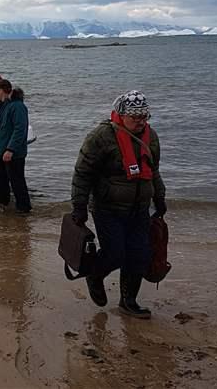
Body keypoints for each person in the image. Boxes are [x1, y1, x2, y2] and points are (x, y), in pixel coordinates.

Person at [70, 90, 167, 319]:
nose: (140, 121)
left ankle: (128, 302)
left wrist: (160, 198)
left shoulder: (151, 137)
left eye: (144, 117)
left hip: (140, 209)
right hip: (107, 208)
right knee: (115, 254)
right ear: (121, 115)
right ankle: (95, 275)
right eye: (135, 117)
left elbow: (153, 171)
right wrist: (79, 207)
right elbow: (82, 174)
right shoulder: (101, 136)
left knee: (139, 256)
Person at [0, 79, 31, 213]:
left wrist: (10, 149)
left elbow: (20, 129)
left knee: (17, 182)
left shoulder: (17, 106)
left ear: (2, 91)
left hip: (13, 154)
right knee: (1, 182)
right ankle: (3, 207)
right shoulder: (0, 106)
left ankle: (24, 210)